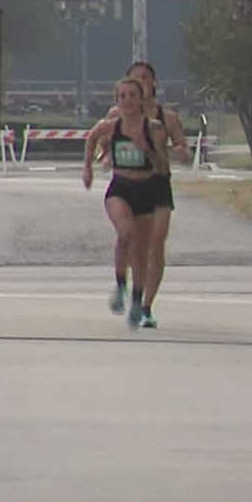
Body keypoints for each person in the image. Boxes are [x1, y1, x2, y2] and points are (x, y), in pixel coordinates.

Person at [87, 63, 188, 328]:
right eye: (134, 80)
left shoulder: (163, 120)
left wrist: (172, 151)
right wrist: (101, 160)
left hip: (157, 185)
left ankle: (144, 305)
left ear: (153, 83)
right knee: (130, 237)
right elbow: (99, 143)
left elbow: (176, 154)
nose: (139, 84)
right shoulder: (114, 117)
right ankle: (126, 289)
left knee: (153, 245)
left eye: (145, 79)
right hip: (125, 184)